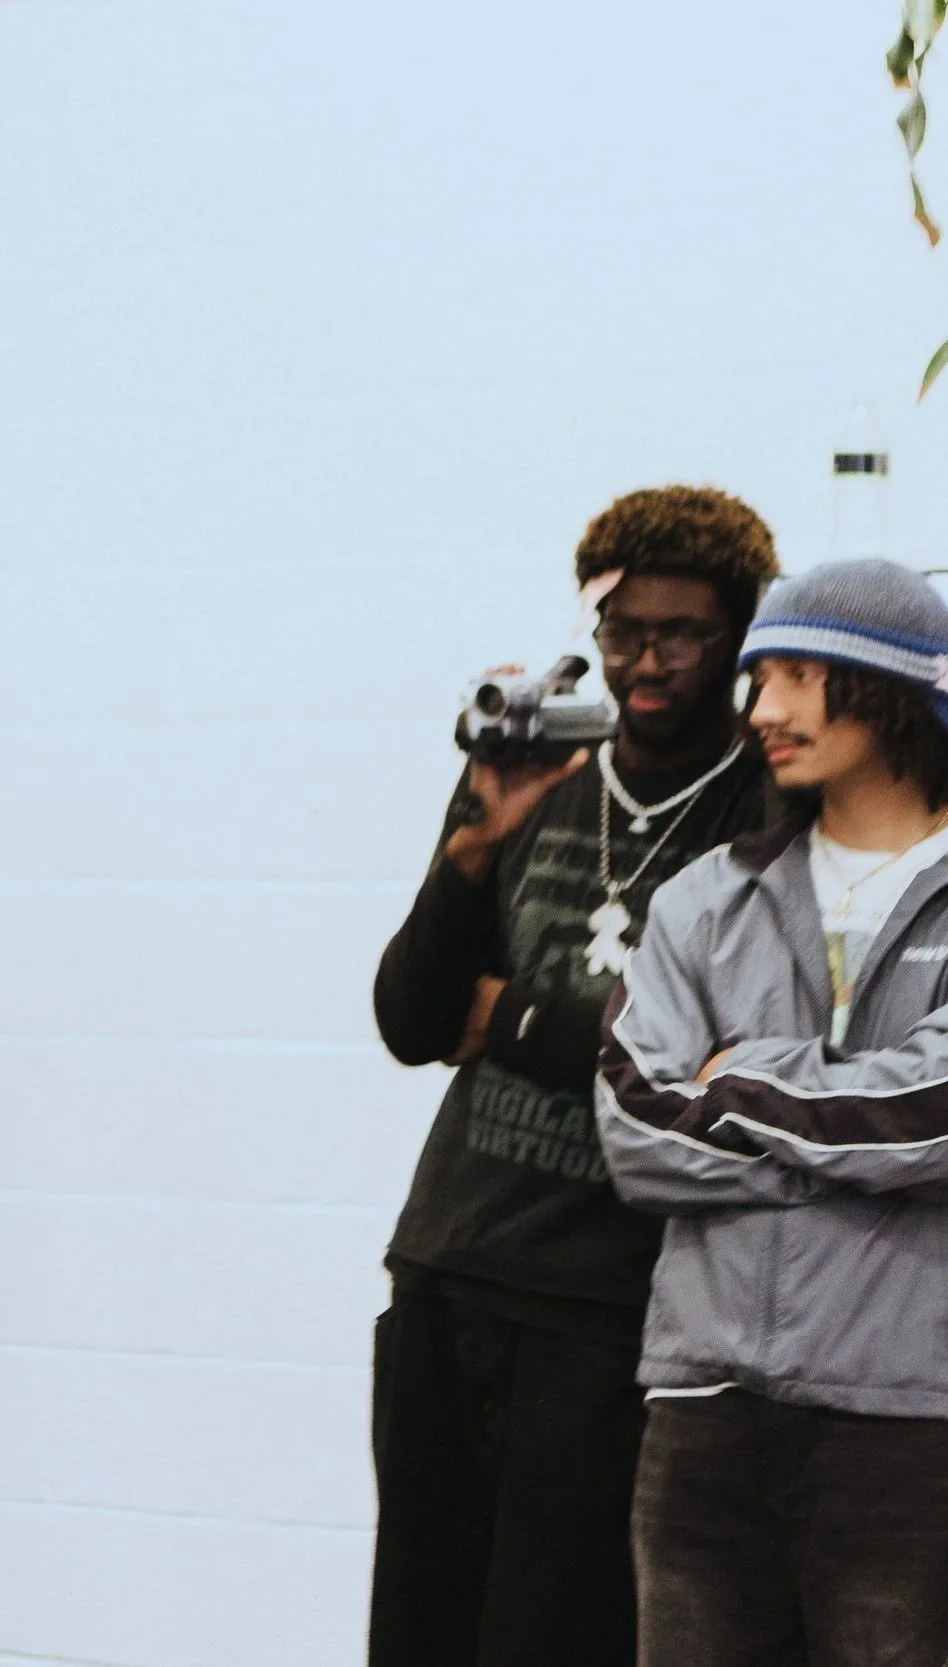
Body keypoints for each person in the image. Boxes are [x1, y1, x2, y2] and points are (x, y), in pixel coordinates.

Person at [367, 485, 779, 1667]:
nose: (644, 663)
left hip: (608, 1304)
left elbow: (708, 1061)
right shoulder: (538, 772)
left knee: (556, 1635)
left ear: (736, 637)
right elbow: (408, 1016)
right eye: (621, 633)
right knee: (418, 1631)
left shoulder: (762, 811)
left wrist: (506, 1015)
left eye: (679, 635)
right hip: (448, 1258)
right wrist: (467, 857)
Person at [600, 558, 948, 1666]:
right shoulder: (703, 896)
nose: (761, 710)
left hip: (904, 1418)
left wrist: (731, 1077)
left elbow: (935, 1110)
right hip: (700, 1412)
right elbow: (633, 1120)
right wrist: (851, 1129)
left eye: (796, 675)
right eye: (757, 679)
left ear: (888, 688)